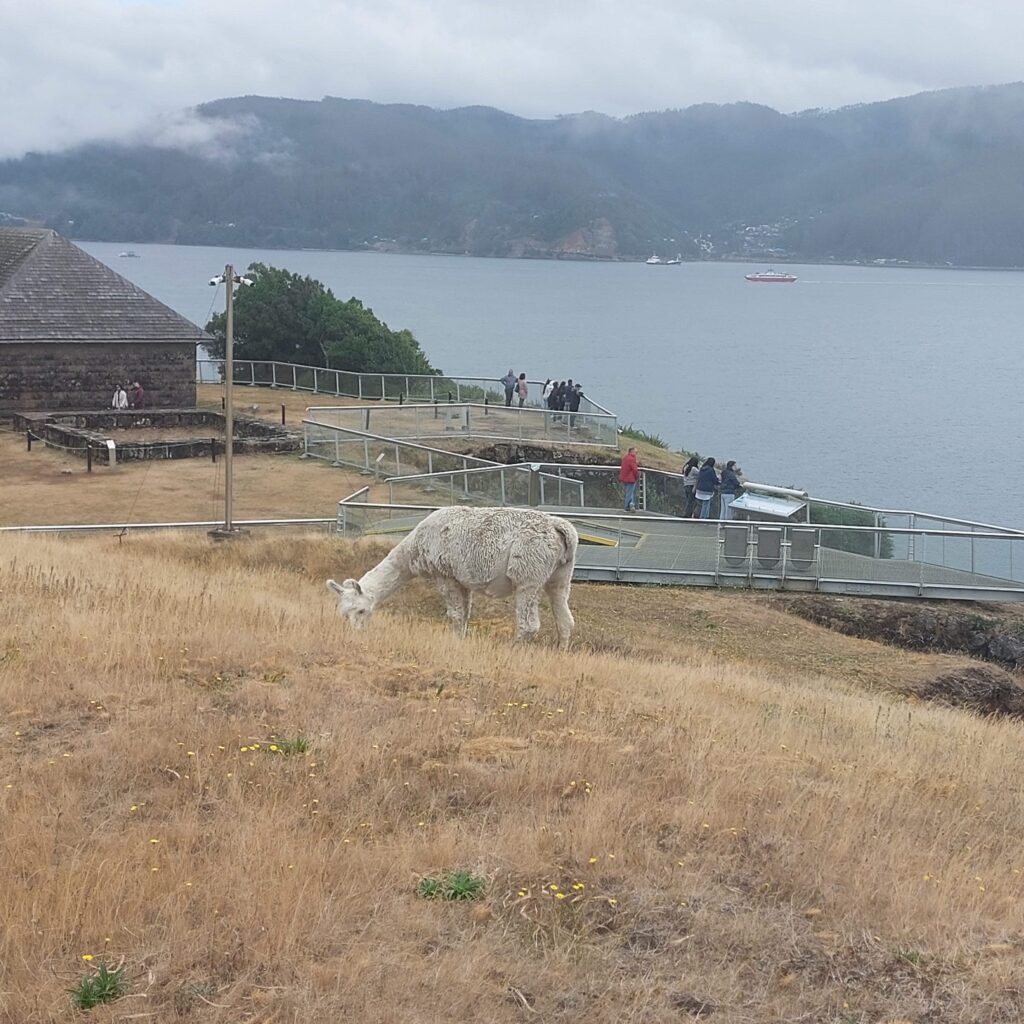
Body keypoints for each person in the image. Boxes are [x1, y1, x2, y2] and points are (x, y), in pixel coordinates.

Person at [619, 446, 639, 512]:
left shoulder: (625, 458)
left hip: (624, 478)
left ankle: (631, 505)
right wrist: (637, 477)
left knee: (629, 492)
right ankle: (627, 506)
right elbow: (635, 470)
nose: (636, 454)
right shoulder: (632, 459)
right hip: (630, 479)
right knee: (629, 493)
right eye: (636, 452)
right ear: (632, 452)